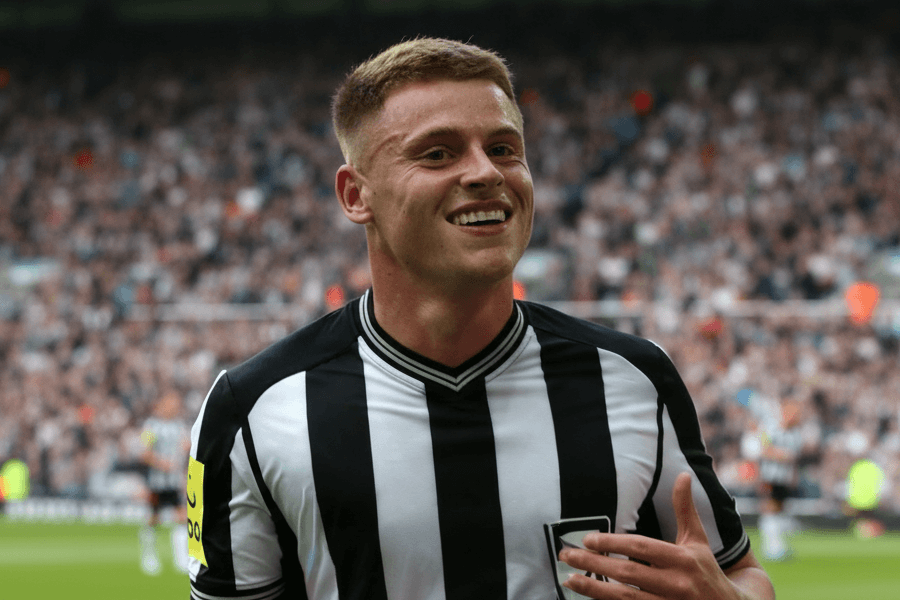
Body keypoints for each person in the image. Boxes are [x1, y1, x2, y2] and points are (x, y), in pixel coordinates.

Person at [186, 37, 775, 600]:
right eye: (437, 153)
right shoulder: (254, 408)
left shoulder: (633, 379)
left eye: (503, 148)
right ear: (355, 195)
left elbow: (741, 574)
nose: (486, 172)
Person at [140, 389, 191, 575]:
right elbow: (143, 453)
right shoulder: (150, 426)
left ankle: (181, 559)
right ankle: (148, 556)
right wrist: (163, 464)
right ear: (162, 404)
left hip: (174, 482)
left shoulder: (180, 425)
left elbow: (186, 448)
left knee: (181, 518)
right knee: (154, 519)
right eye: (171, 402)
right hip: (156, 482)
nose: (175, 406)